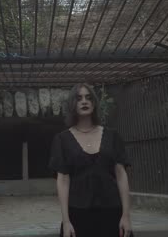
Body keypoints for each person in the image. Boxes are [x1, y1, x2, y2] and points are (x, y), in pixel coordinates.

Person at [48, 83, 132, 237]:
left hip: (112, 212)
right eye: (79, 98)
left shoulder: (112, 136)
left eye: (88, 97)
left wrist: (126, 216)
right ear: (72, 104)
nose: (84, 101)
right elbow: (63, 180)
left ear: (94, 103)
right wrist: (66, 221)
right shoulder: (62, 139)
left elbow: (121, 175)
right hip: (78, 214)